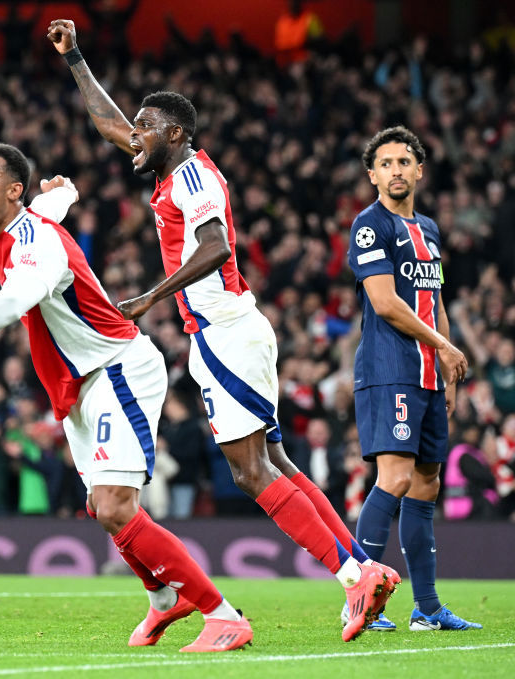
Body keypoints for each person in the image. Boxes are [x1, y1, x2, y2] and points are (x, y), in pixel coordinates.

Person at [47, 19, 397, 642]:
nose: (135, 137)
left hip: (224, 331)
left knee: (248, 471)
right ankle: (363, 569)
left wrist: (150, 298)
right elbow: (110, 126)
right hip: (232, 330)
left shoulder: (194, 177)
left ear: (177, 133)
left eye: (148, 128)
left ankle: (352, 575)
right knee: (276, 461)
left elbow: (214, 245)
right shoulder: (170, 168)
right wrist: (76, 60)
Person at [0, 143, 252, 652]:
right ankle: (162, 600)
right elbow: (51, 204)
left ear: (12, 190)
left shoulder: (34, 241)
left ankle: (222, 616)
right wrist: (63, 192)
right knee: (100, 507)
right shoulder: (27, 221)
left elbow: (18, 298)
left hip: (116, 367)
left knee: (114, 503)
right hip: (79, 384)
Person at [348, 126, 482, 631]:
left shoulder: (428, 229)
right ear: (372, 174)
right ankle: (359, 598)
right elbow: (384, 302)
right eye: (385, 163)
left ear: (419, 170)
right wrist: (445, 347)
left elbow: (435, 300)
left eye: (405, 161)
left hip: (428, 375)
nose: (396, 170)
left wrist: (446, 370)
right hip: (389, 370)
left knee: (426, 486)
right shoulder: (369, 225)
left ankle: (426, 608)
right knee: (396, 479)